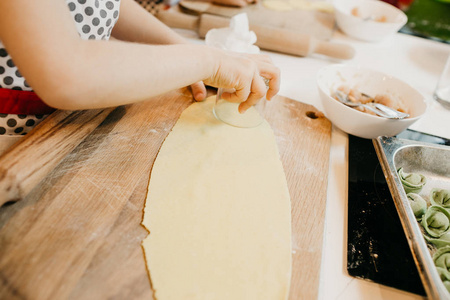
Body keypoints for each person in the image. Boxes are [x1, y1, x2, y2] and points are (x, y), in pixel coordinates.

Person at [0, 0, 279, 140]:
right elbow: (66, 75)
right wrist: (206, 61)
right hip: (15, 136)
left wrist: (181, 48)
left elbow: (105, 5)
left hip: (74, 118)